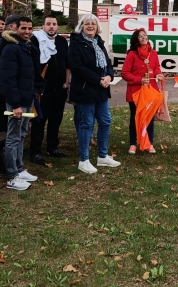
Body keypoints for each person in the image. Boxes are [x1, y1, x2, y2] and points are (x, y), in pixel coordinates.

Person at [68, 14, 120, 174]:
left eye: (93, 24)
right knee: (87, 124)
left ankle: (102, 156)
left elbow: (108, 63)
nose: (90, 26)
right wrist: (99, 79)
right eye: (87, 24)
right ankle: (84, 160)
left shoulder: (99, 42)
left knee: (105, 122)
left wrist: (109, 76)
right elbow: (76, 67)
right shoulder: (76, 43)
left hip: (101, 90)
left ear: (97, 27)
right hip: (85, 90)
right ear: (81, 27)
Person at [0, 17, 45, 191]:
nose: (27, 31)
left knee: (22, 134)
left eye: (30, 28)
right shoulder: (11, 48)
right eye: (23, 28)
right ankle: (11, 176)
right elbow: (7, 80)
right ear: (15, 29)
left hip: (27, 98)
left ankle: (19, 169)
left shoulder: (27, 47)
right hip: (16, 102)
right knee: (13, 137)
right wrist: (15, 104)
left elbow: (30, 75)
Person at [29, 15, 70, 165]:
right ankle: (35, 151)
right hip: (43, 89)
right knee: (39, 120)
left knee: (56, 120)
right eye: (48, 24)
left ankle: (53, 147)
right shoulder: (36, 40)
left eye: (54, 24)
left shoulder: (62, 41)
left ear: (57, 26)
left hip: (60, 88)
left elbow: (67, 63)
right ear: (43, 26)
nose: (51, 26)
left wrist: (66, 82)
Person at [121, 28, 164, 154]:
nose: (144, 37)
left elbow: (156, 68)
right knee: (135, 117)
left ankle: (150, 143)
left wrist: (159, 74)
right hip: (136, 92)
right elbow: (125, 73)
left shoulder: (154, 53)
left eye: (145, 35)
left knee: (149, 118)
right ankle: (133, 144)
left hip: (151, 91)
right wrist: (139, 80)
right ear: (136, 41)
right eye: (140, 36)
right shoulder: (131, 54)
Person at [0, 14, 21, 135]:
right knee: (1, 115)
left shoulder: (21, 40)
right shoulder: (0, 40)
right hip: (3, 85)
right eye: (20, 26)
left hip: (17, 85)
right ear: (11, 26)